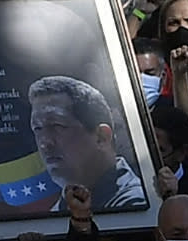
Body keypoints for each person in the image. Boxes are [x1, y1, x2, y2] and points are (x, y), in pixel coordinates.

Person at [27, 75, 146, 211]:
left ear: (102, 137)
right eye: (37, 128)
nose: (44, 143)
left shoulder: (135, 205)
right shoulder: (57, 211)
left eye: (57, 126)